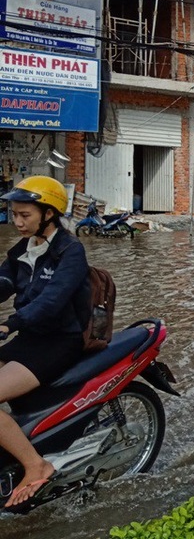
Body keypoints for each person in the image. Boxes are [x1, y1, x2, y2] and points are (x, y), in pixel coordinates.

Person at [0, 176, 90, 508]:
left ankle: (36, 464)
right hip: (29, 339)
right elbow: (4, 281)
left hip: (59, 341)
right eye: (14, 214)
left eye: (25, 215)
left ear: (48, 214)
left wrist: (10, 325)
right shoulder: (24, 249)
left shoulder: (71, 251)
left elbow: (50, 303)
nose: (18, 222)